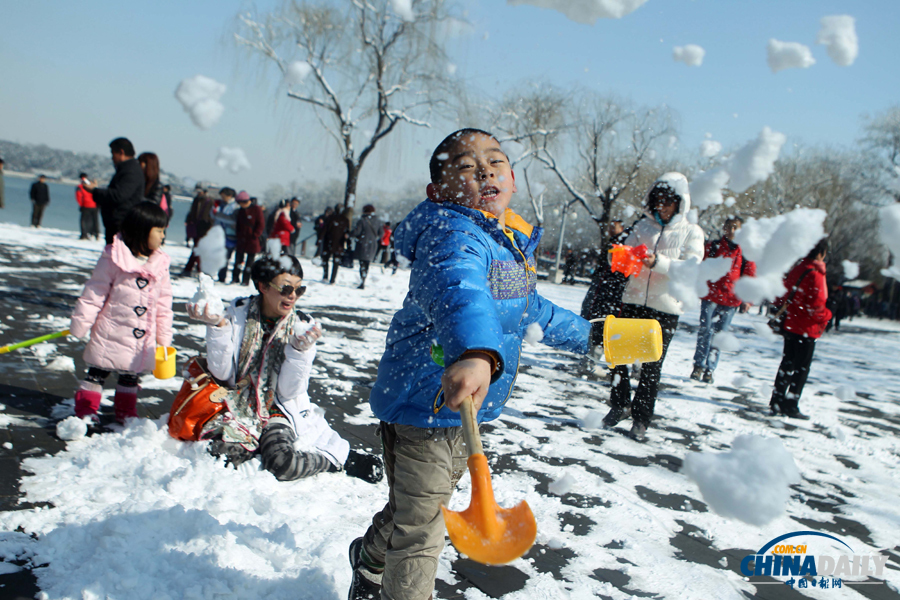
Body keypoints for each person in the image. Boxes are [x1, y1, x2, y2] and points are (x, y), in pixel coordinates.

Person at [347, 129, 593, 600]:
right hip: (423, 402)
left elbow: (528, 310)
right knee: (423, 532)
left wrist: (591, 337)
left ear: (513, 180)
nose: (483, 170)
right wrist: (477, 352)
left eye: (495, 161)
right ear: (437, 191)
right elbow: (462, 294)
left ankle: (369, 557)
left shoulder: (507, 242)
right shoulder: (451, 236)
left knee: (416, 510)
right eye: (464, 165)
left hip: (467, 406)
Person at [185, 255, 384, 482]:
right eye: (286, 288)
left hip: (279, 408)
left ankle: (336, 461)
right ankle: (253, 442)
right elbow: (221, 374)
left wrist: (300, 352)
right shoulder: (237, 315)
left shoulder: (301, 327)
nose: (293, 296)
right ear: (263, 286)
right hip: (237, 403)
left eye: (299, 290)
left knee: (282, 463)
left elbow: (289, 392)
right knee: (219, 457)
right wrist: (217, 327)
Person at [601, 173, 704, 441]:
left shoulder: (692, 232)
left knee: (651, 365)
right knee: (619, 357)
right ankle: (620, 405)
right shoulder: (642, 227)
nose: (662, 206)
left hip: (665, 308)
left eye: (668, 201)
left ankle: (641, 417)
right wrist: (622, 256)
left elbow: (691, 269)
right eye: (658, 200)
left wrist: (658, 262)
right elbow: (628, 253)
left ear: (680, 203)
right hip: (634, 299)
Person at [69, 202, 173, 424]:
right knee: (97, 371)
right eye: (159, 231)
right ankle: (85, 411)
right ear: (141, 231)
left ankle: (126, 413)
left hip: (141, 336)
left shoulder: (160, 264)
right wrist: (81, 324)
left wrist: (164, 337)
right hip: (111, 331)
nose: (163, 236)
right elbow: (94, 293)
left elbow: (164, 303)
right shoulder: (114, 258)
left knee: (130, 375)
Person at [769, 238, 831, 420]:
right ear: (821, 253)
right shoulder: (816, 274)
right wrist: (828, 315)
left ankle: (777, 400)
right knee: (801, 369)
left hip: (791, 324)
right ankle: (791, 403)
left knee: (787, 363)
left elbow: (783, 292)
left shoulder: (798, 268)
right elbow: (816, 306)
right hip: (807, 328)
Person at [690, 216, 756, 384]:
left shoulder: (746, 252)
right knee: (705, 331)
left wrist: (747, 299)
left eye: (735, 227)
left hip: (730, 300)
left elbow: (750, 276)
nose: (732, 231)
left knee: (720, 335)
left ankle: (710, 369)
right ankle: (698, 366)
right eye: (729, 227)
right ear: (724, 228)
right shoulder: (713, 247)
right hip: (710, 296)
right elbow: (700, 266)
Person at [84, 138, 145, 245]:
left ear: (121, 152)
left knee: (118, 259)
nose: (112, 158)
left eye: (113, 154)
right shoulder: (127, 169)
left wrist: (94, 191)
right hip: (117, 225)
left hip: (122, 225)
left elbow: (119, 195)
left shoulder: (130, 171)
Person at [581, 219, 630, 344]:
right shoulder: (612, 242)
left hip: (611, 289)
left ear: (622, 228)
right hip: (603, 286)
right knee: (594, 316)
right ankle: (591, 349)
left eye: (614, 227)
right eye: (610, 227)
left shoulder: (623, 243)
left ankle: (595, 350)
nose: (611, 229)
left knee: (602, 320)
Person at [181, 185, 215, 276]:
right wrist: (188, 220)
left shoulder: (209, 201)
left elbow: (212, 215)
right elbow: (192, 212)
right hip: (196, 227)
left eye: (200, 191)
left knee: (198, 249)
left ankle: (193, 268)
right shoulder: (196, 200)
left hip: (205, 228)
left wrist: (209, 225)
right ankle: (198, 269)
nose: (198, 193)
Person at [232, 191, 264, 285]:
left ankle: (245, 280)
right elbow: (238, 224)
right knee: (238, 260)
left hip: (252, 240)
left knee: (249, 262)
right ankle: (235, 278)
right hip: (241, 239)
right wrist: (238, 235)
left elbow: (261, 224)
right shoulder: (240, 211)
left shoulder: (256, 209)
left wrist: (255, 234)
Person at [352, 204, 381, 289]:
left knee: (362, 263)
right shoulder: (378, 221)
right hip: (373, 244)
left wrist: (351, 234)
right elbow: (381, 233)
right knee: (367, 262)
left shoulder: (362, 220)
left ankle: (362, 280)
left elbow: (357, 232)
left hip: (363, 244)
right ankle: (364, 278)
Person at [214, 187, 239, 282]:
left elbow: (232, 220)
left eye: (224, 196)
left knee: (226, 257)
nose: (222, 198)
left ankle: (222, 277)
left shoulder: (235, 206)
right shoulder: (222, 205)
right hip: (221, 234)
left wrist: (219, 215)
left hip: (231, 235)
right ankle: (221, 275)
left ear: (230, 196)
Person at [322, 206, 350, 284]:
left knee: (326, 259)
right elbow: (347, 233)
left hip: (329, 242)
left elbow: (324, 230)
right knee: (336, 261)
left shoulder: (330, 218)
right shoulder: (345, 220)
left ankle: (325, 275)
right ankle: (333, 278)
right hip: (339, 244)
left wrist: (320, 239)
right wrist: (348, 243)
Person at [76, 172, 99, 240]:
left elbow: (78, 196)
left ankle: (84, 234)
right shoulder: (92, 184)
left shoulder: (80, 186)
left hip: (86, 205)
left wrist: (81, 205)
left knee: (83, 221)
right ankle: (95, 233)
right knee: (94, 220)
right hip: (94, 205)